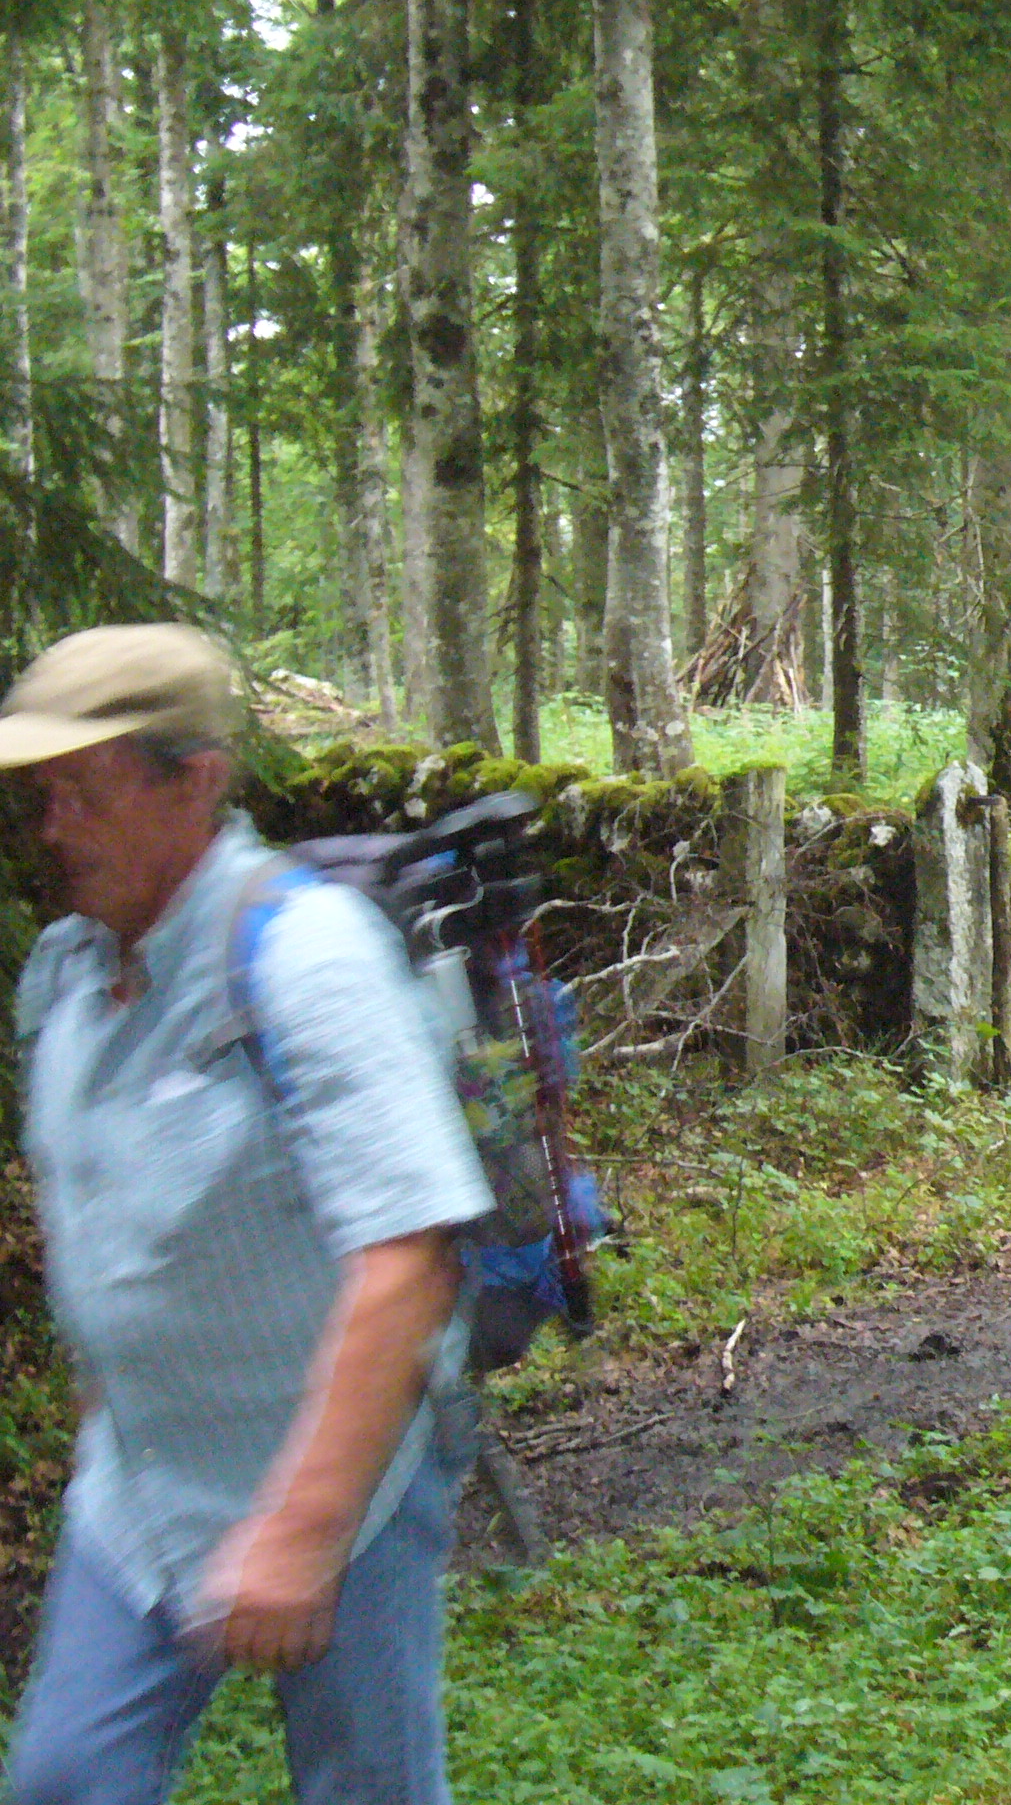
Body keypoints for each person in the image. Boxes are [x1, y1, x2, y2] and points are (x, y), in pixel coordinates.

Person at [3, 625, 495, 1805]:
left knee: (364, 1789)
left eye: (82, 792)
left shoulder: (306, 955)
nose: (52, 828)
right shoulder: (66, 977)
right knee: (64, 1784)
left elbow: (409, 1255)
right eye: (38, 796)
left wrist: (303, 1529)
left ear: (196, 781)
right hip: (140, 1491)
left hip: (346, 1479)